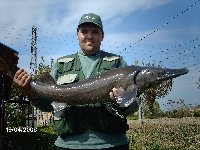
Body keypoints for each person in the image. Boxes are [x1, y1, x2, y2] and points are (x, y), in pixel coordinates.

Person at [14, 13, 139, 150]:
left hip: (113, 144)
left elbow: (134, 105)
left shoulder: (117, 63)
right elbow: (49, 105)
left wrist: (121, 102)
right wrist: (29, 91)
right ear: (77, 34)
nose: (89, 36)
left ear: (102, 36)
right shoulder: (61, 64)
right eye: (84, 31)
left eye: (95, 32)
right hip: (68, 145)